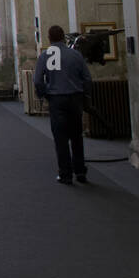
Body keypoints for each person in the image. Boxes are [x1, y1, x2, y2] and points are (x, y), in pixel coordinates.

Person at [35, 24, 92, 185]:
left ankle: (65, 174)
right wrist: (85, 96)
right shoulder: (75, 55)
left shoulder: (45, 56)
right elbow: (87, 79)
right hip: (74, 99)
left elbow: (38, 80)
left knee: (60, 139)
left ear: (49, 38)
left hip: (56, 100)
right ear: (63, 37)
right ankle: (80, 171)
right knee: (76, 136)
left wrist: (44, 94)